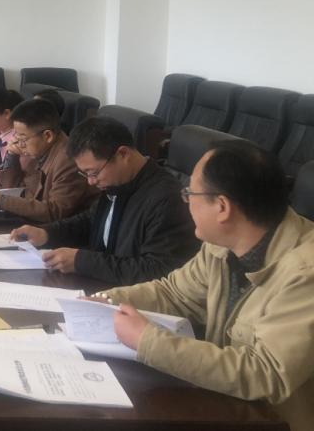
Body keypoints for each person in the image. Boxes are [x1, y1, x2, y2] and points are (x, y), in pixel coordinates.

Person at [101, 141, 314, 431]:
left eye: (190, 193)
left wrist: (148, 341)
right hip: (223, 405)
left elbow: (266, 373)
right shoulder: (222, 244)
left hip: (274, 422)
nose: (186, 201)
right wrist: (106, 300)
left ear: (222, 207)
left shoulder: (305, 273)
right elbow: (174, 294)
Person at [10, 116, 199, 285]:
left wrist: (82, 262)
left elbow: (158, 272)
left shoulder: (167, 199)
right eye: (85, 174)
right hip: (102, 285)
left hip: (132, 300)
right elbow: (90, 221)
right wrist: (47, 233)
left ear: (123, 154)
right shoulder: (118, 181)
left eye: (93, 173)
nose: (91, 182)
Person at [0, 98, 98, 222]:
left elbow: (55, 211)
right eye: (16, 137)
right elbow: (13, 187)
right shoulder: (39, 148)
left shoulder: (68, 161)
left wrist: (1, 200)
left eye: (23, 139)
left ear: (48, 136)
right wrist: (12, 155)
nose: (19, 144)